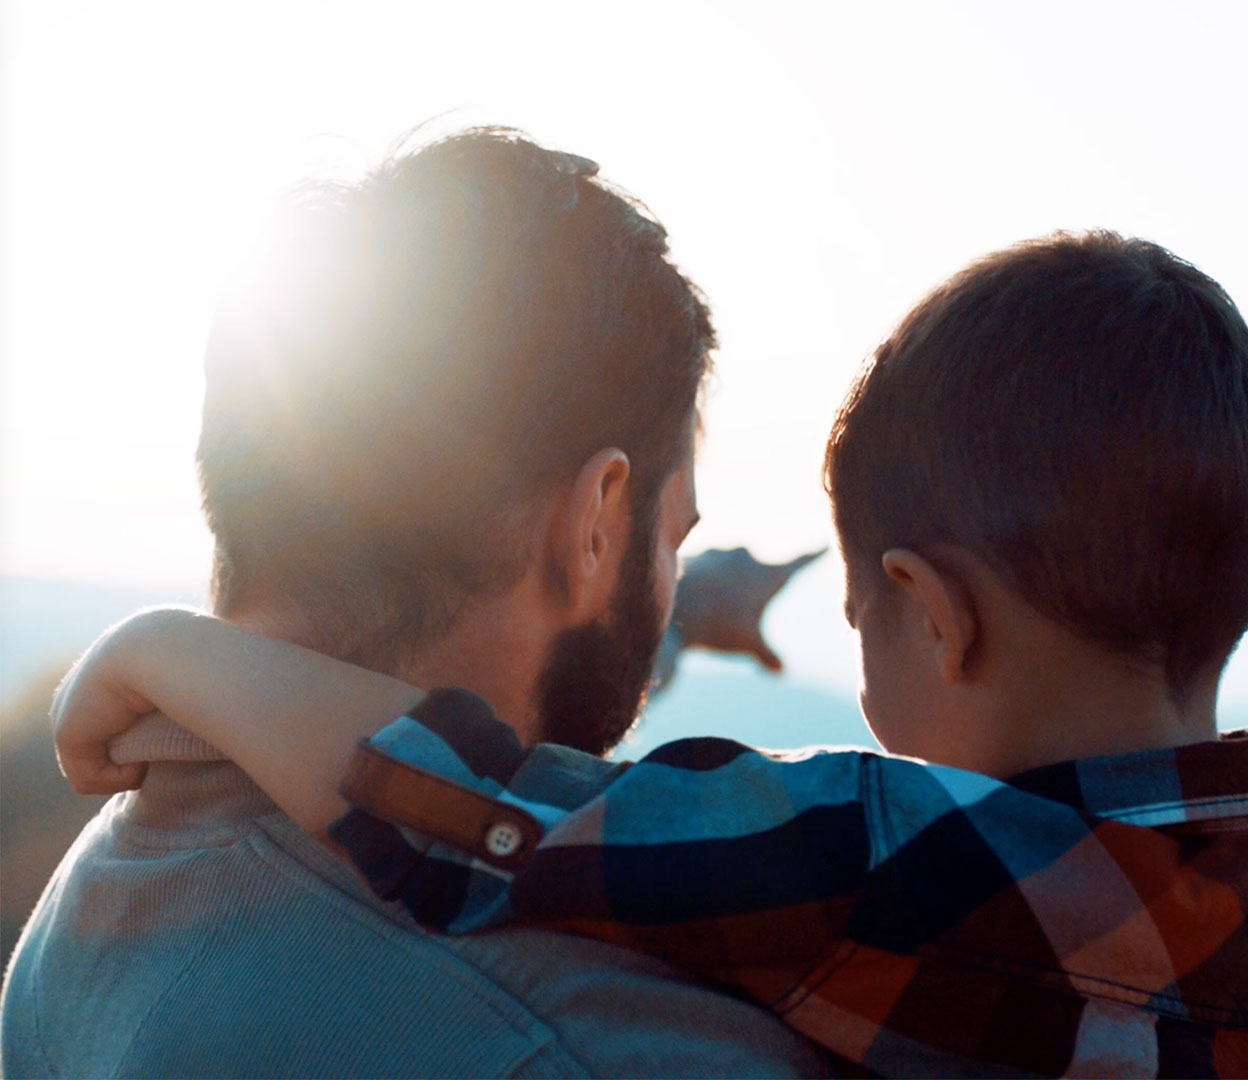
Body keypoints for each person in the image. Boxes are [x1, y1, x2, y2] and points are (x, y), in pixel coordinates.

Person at [52, 234, 1248, 1077]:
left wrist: (185, 660)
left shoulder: (884, 859)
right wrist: (696, 606)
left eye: (860, 621)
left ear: (934, 612)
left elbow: (491, 817)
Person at [0, 128, 838, 1078]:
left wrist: (691, 606)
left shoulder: (86, 917)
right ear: (597, 522)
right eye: (672, 536)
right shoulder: (593, 1046)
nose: (670, 581)